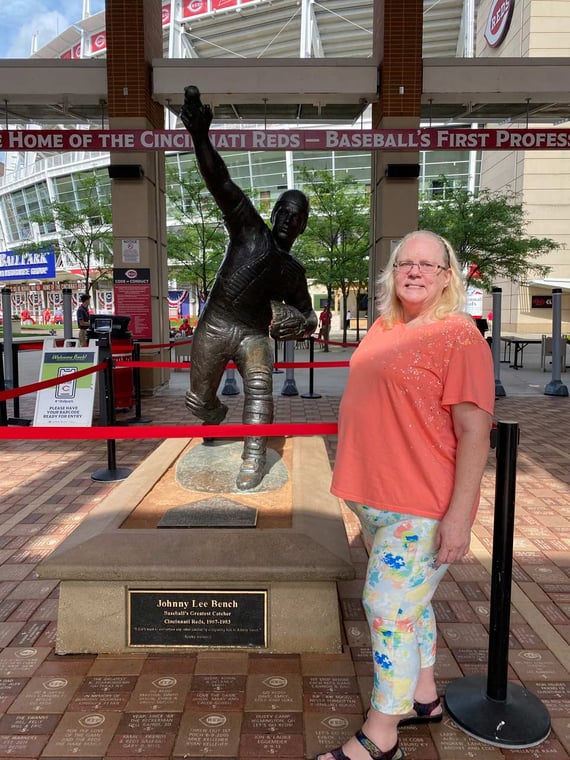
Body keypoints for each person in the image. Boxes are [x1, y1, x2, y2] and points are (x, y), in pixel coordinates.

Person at [321, 230, 495, 760]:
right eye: (405, 263)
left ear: (447, 276)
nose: (415, 271)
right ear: (392, 272)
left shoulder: (459, 336)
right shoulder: (385, 325)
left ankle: (382, 735)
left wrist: (460, 517)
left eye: (427, 264)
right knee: (409, 605)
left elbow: (474, 431)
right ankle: (423, 698)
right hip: (375, 499)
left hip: (421, 505)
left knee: (387, 609)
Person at [180, 85, 317, 490]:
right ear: (274, 213)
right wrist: (200, 136)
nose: (289, 221)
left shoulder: (293, 272)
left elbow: (308, 313)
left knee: (260, 389)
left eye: (297, 217)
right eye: (284, 212)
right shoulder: (249, 229)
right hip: (216, 323)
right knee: (198, 401)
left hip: (254, 334)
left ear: (304, 225)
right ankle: (214, 415)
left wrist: (303, 322)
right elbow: (219, 181)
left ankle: (252, 459)